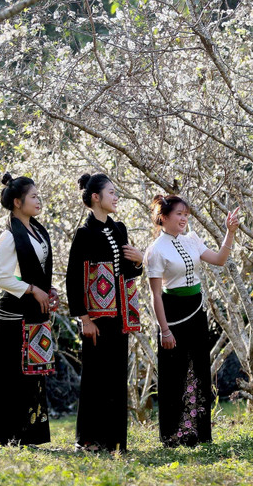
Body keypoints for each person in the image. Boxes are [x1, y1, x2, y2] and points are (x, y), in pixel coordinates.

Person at [145, 195, 239, 447]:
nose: (184, 218)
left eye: (187, 214)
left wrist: (230, 232)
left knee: (198, 369)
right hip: (172, 313)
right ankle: (173, 436)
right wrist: (164, 330)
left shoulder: (192, 239)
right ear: (163, 217)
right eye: (179, 214)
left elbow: (219, 259)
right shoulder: (155, 250)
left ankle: (199, 434)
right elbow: (155, 294)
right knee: (173, 373)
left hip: (196, 311)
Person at [65, 173, 144, 452]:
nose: (116, 197)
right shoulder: (84, 234)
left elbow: (128, 271)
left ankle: (114, 442)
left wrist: (139, 261)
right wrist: (84, 318)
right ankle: (87, 440)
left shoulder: (119, 229)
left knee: (115, 376)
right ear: (95, 197)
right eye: (111, 192)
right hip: (96, 320)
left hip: (120, 317)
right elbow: (73, 278)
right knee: (95, 379)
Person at [0, 173, 59, 446]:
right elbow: (1, 277)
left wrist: (47, 290)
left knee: (33, 371)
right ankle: (7, 433)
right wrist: (32, 289)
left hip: (34, 311)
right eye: (34, 196)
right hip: (14, 314)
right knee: (12, 374)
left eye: (39, 195)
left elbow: (37, 272)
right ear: (17, 202)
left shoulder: (36, 231)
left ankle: (28, 432)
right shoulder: (9, 236)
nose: (39, 200)